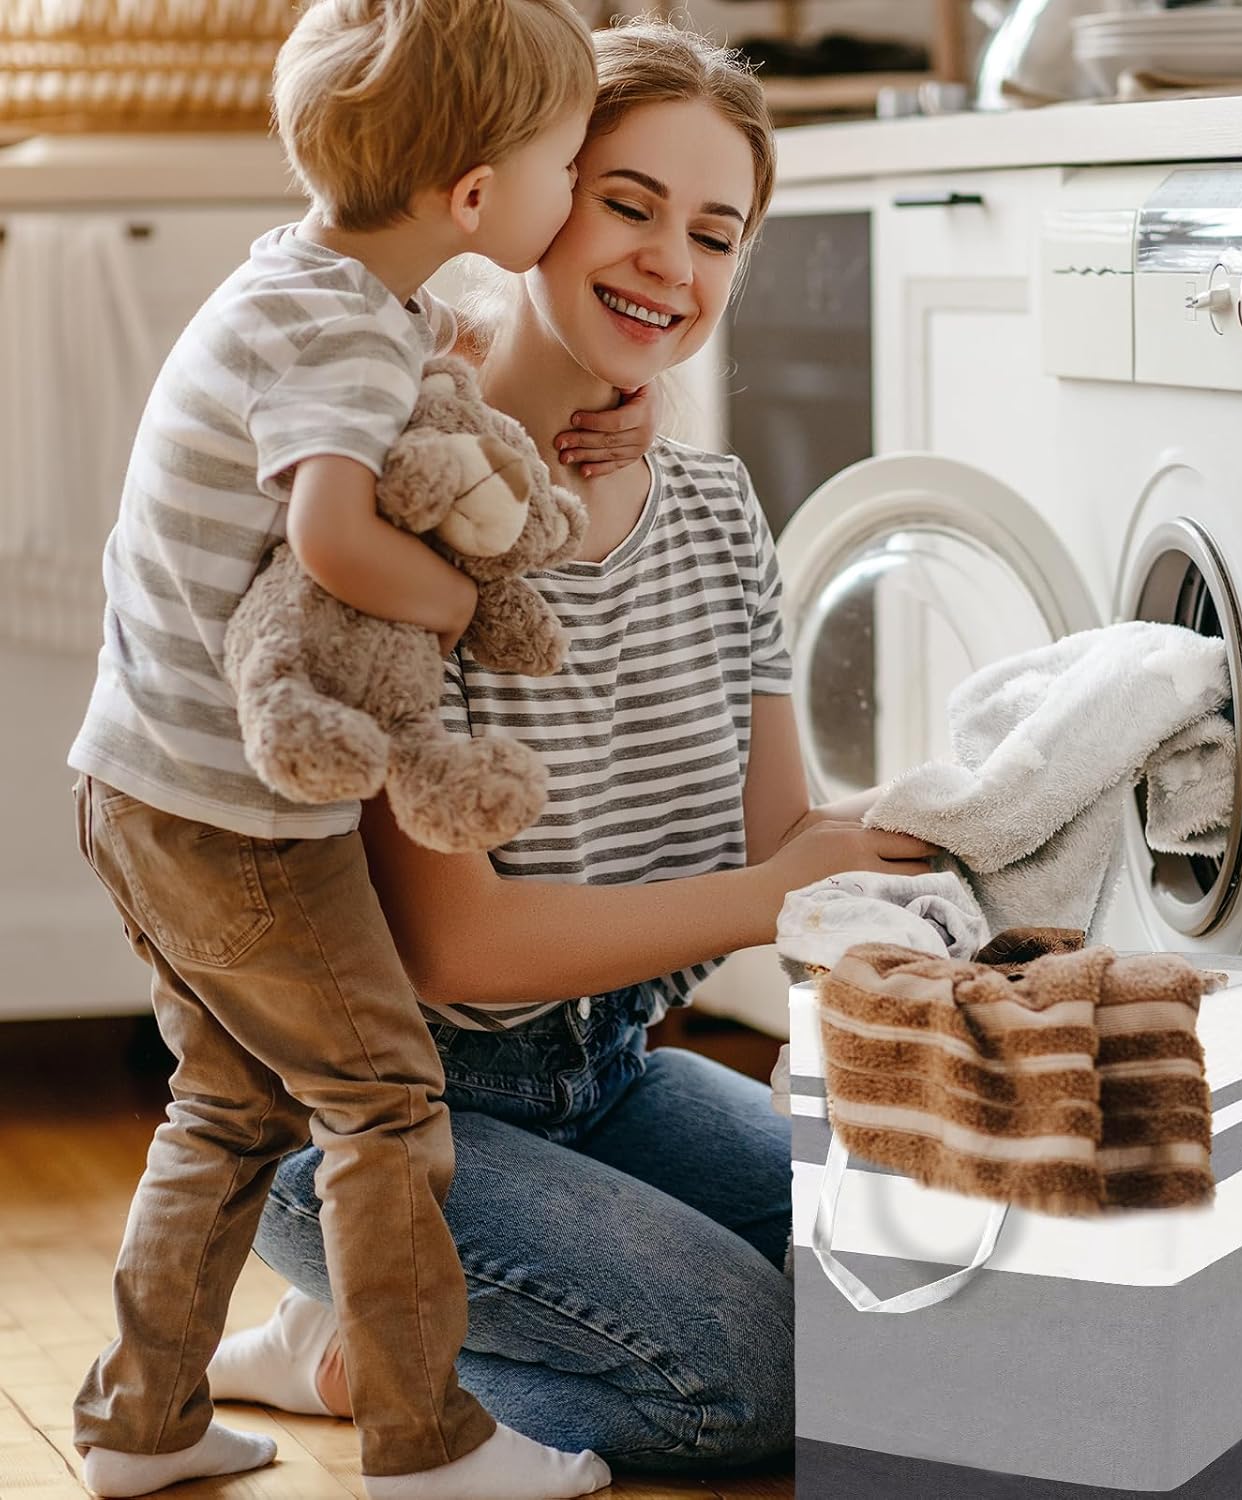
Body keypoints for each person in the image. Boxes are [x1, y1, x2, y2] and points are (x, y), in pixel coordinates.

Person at [207, 19, 932, 1475]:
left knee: (906, 1286)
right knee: (751, 1387)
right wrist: (778, 894)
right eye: (628, 204)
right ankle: (370, 1324)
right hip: (386, 1117)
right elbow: (458, 950)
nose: (672, 262)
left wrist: (935, 843)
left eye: (716, 234)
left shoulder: (719, 514)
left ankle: (359, 1336)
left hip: (610, 1073)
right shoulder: (417, 511)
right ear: (530, 196)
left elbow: (774, 840)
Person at [64, 2, 620, 1496]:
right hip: (237, 819)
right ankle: (425, 1446)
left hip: (139, 785)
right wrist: (456, 603)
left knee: (227, 1104)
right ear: (474, 195)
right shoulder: (344, 334)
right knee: (383, 1103)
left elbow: (372, 390)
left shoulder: (300, 280)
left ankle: (141, 1424)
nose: (576, 189)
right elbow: (330, 532)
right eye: (569, 164)